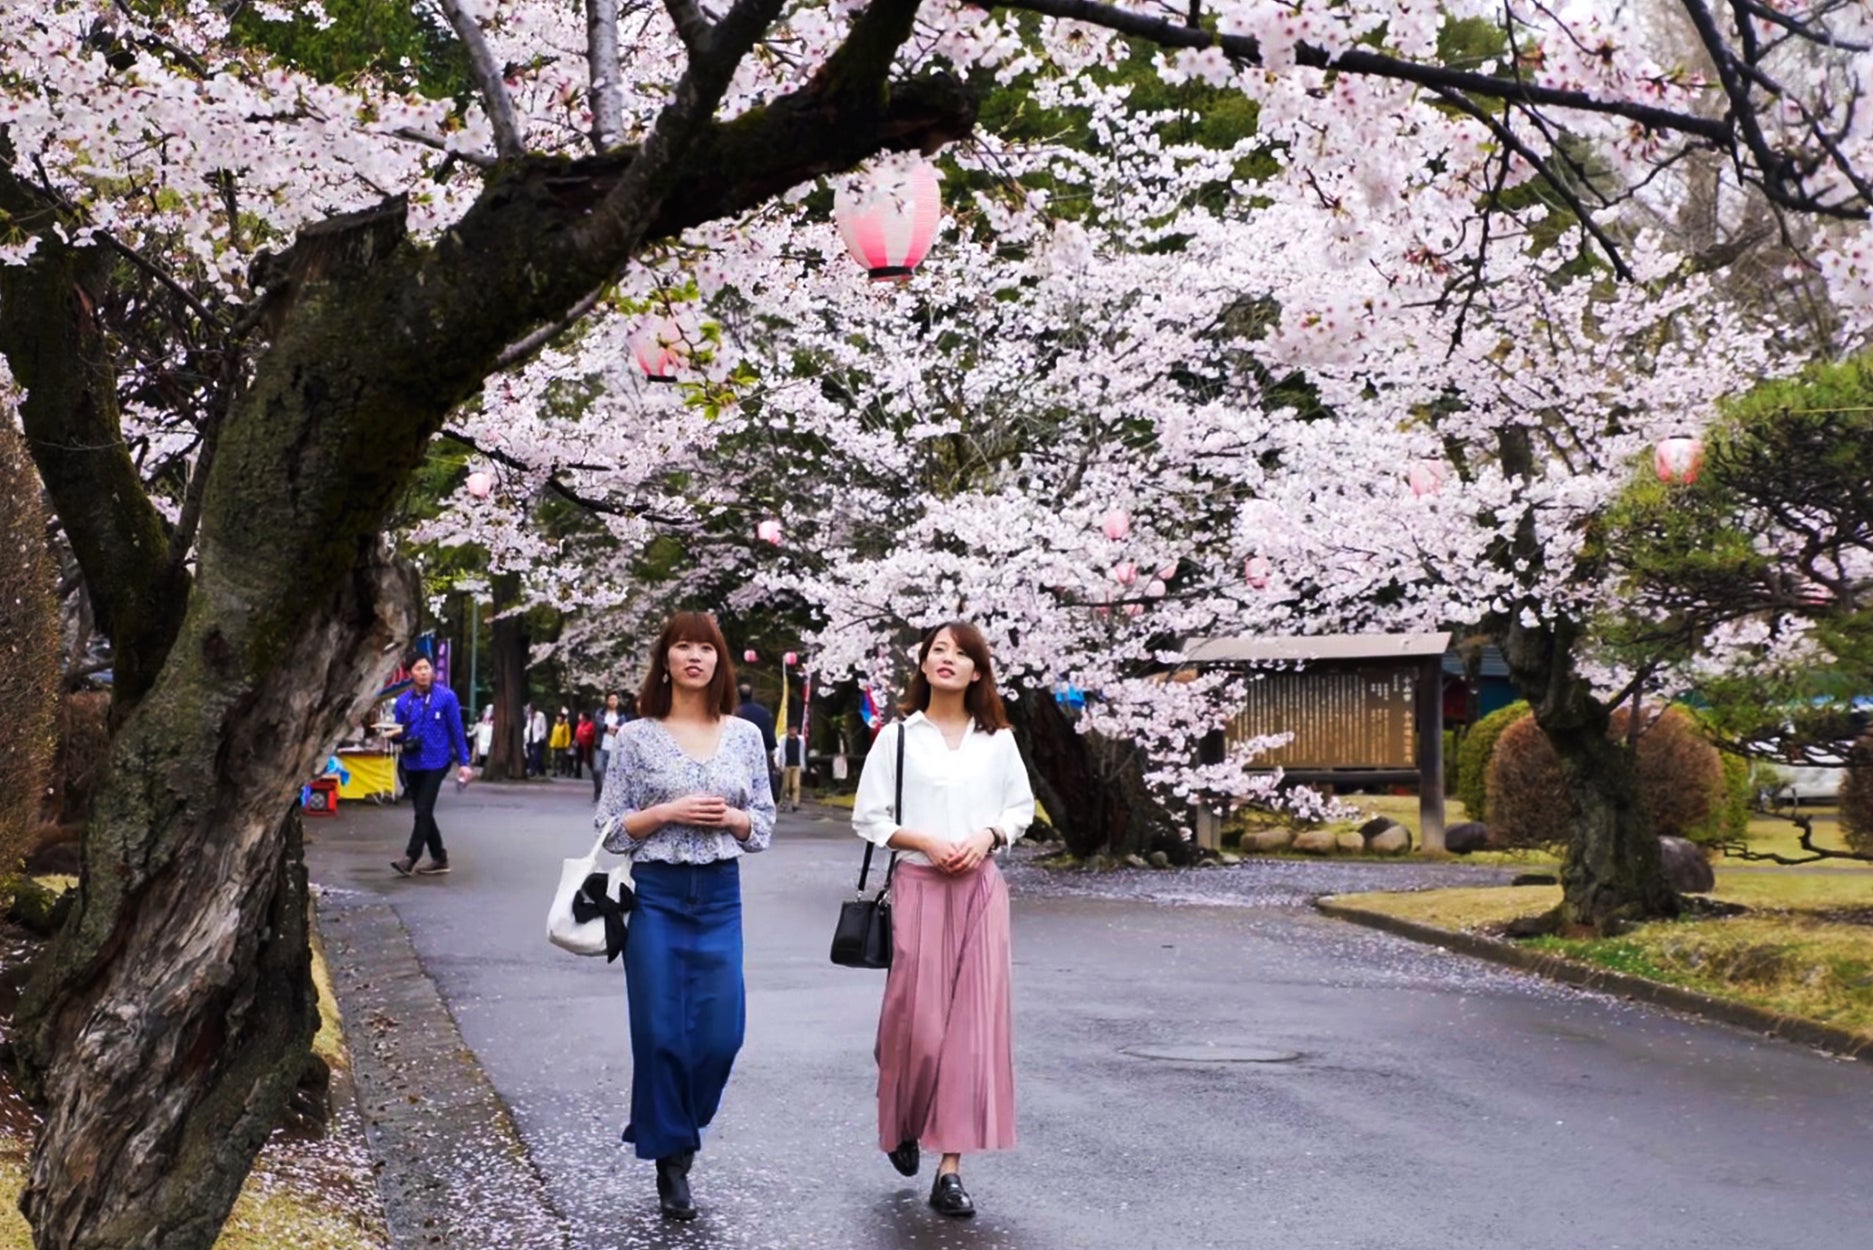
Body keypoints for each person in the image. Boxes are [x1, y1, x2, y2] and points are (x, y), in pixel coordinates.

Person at [595, 611, 775, 1221]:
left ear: (719, 661)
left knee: (722, 1035)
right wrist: (667, 811)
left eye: (705, 647)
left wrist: (732, 818)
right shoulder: (636, 738)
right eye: (682, 647)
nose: (694, 656)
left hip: (720, 896)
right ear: (665, 660)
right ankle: (673, 1161)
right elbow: (611, 829)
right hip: (658, 895)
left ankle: (675, 1124)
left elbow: (765, 827)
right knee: (660, 1034)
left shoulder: (746, 737)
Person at [851, 622, 1034, 1220]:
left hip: (980, 891)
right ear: (924, 666)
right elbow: (869, 817)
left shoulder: (997, 740)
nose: (947, 660)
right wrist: (926, 840)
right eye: (937, 651)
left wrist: (987, 835)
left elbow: (1019, 808)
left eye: (960, 653)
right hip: (919, 887)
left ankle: (950, 1169)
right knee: (917, 1025)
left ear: (978, 671)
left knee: (970, 1033)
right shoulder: (899, 737)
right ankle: (903, 1118)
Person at [389, 656, 474, 876]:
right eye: (419, 668)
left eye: (427, 667)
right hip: (412, 761)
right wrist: (394, 736)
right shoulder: (402, 702)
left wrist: (464, 762)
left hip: (438, 760)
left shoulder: (446, 697)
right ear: (410, 674)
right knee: (422, 811)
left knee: (424, 809)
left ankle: (410, 857)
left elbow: (456, 730)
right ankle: (439, 858)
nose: (424, 672)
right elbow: (398, 734)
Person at [734, 682, 777, 798]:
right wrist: (771, 747)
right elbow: (769, 733)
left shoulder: (736, 713)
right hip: (761, 749)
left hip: (739, 752)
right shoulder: (763, 712)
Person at [594, 691, 624, 802]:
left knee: (610, 772)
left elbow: (623, 727)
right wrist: (608, 728)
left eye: (615, 700)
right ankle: (598, 791)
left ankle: (608, 796)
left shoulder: (621, 715)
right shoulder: (600, 713)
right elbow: (598, 724)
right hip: (600, 745)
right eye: (611, 699)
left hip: (614, 746)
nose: (613, 702)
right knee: (597, 770)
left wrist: (615, 730)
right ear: (607, 701)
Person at [777, 724, 805, 811]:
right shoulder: (783, 739)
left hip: (797, 765)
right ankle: (783, 802)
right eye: (792, 729)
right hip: (787, 765)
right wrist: (779, 764)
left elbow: (802, 753)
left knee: (796, 785)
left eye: (795, 729)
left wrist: (803, 765)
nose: (793, 731)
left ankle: (795, 804)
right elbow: (780, 752)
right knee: (785, 786)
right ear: (788, 730)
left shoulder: (800, 740)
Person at [526, 703, 549, 777]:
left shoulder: (540, 716)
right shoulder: (529, 716)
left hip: (537, 738)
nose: (528, 710)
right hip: (529, 737)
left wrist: (541, 737)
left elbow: (544, 727)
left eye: (529, 709)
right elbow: (528, 726)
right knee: (530, 755)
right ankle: (542, 770)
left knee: (536, 755)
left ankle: (533, 771)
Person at [550, 707, 573, 776]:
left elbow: (568, 736)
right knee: (553, 759)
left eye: (559, 718)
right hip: (554, 745)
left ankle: (567, 770)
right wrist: (551, 742)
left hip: (562, 745)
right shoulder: (555, 725)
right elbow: (553, 735)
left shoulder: (566, 726)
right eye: (557, 718)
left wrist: (567, 744)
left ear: (563, 719)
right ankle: (554, 771)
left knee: (563, 759)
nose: (558, 719)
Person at [573, 711, 596, 779]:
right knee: (578, 759)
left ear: (585, 717)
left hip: (587, 744)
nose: (580, 717)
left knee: (588, 759)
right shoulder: (580, 724)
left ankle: (594, 772)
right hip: (579, 743)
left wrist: (588, 734)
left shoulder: (591, 724)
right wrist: (575, 740)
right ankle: (577, 774)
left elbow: (594, 733)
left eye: (581, 716)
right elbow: (577, 732)